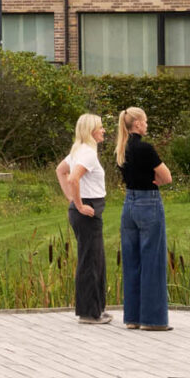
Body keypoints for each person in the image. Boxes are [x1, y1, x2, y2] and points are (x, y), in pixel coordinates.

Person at [115, 106, 174, 331]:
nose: (147, 125)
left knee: (132, 261)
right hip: (148, 202)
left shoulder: (122, 149)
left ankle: (133, 317)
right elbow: (166, 176)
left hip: (128, 205)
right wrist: (156, 180)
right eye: (146, 122)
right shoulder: (145, 148)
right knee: (152, 259)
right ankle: (153, 320)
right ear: (137, 123)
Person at [55, 112, 110, 324]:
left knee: (96, 259)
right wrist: (77, 204)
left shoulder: (78, 151)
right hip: (87, 208)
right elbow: (73, 178)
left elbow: (60, 171)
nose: (103, 130)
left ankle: (96, 309)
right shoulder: (87, 153)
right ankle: (88, 313)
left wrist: (71, 200)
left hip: (88, 208)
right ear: (90, 131)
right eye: (100, 127)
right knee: (90, 261)